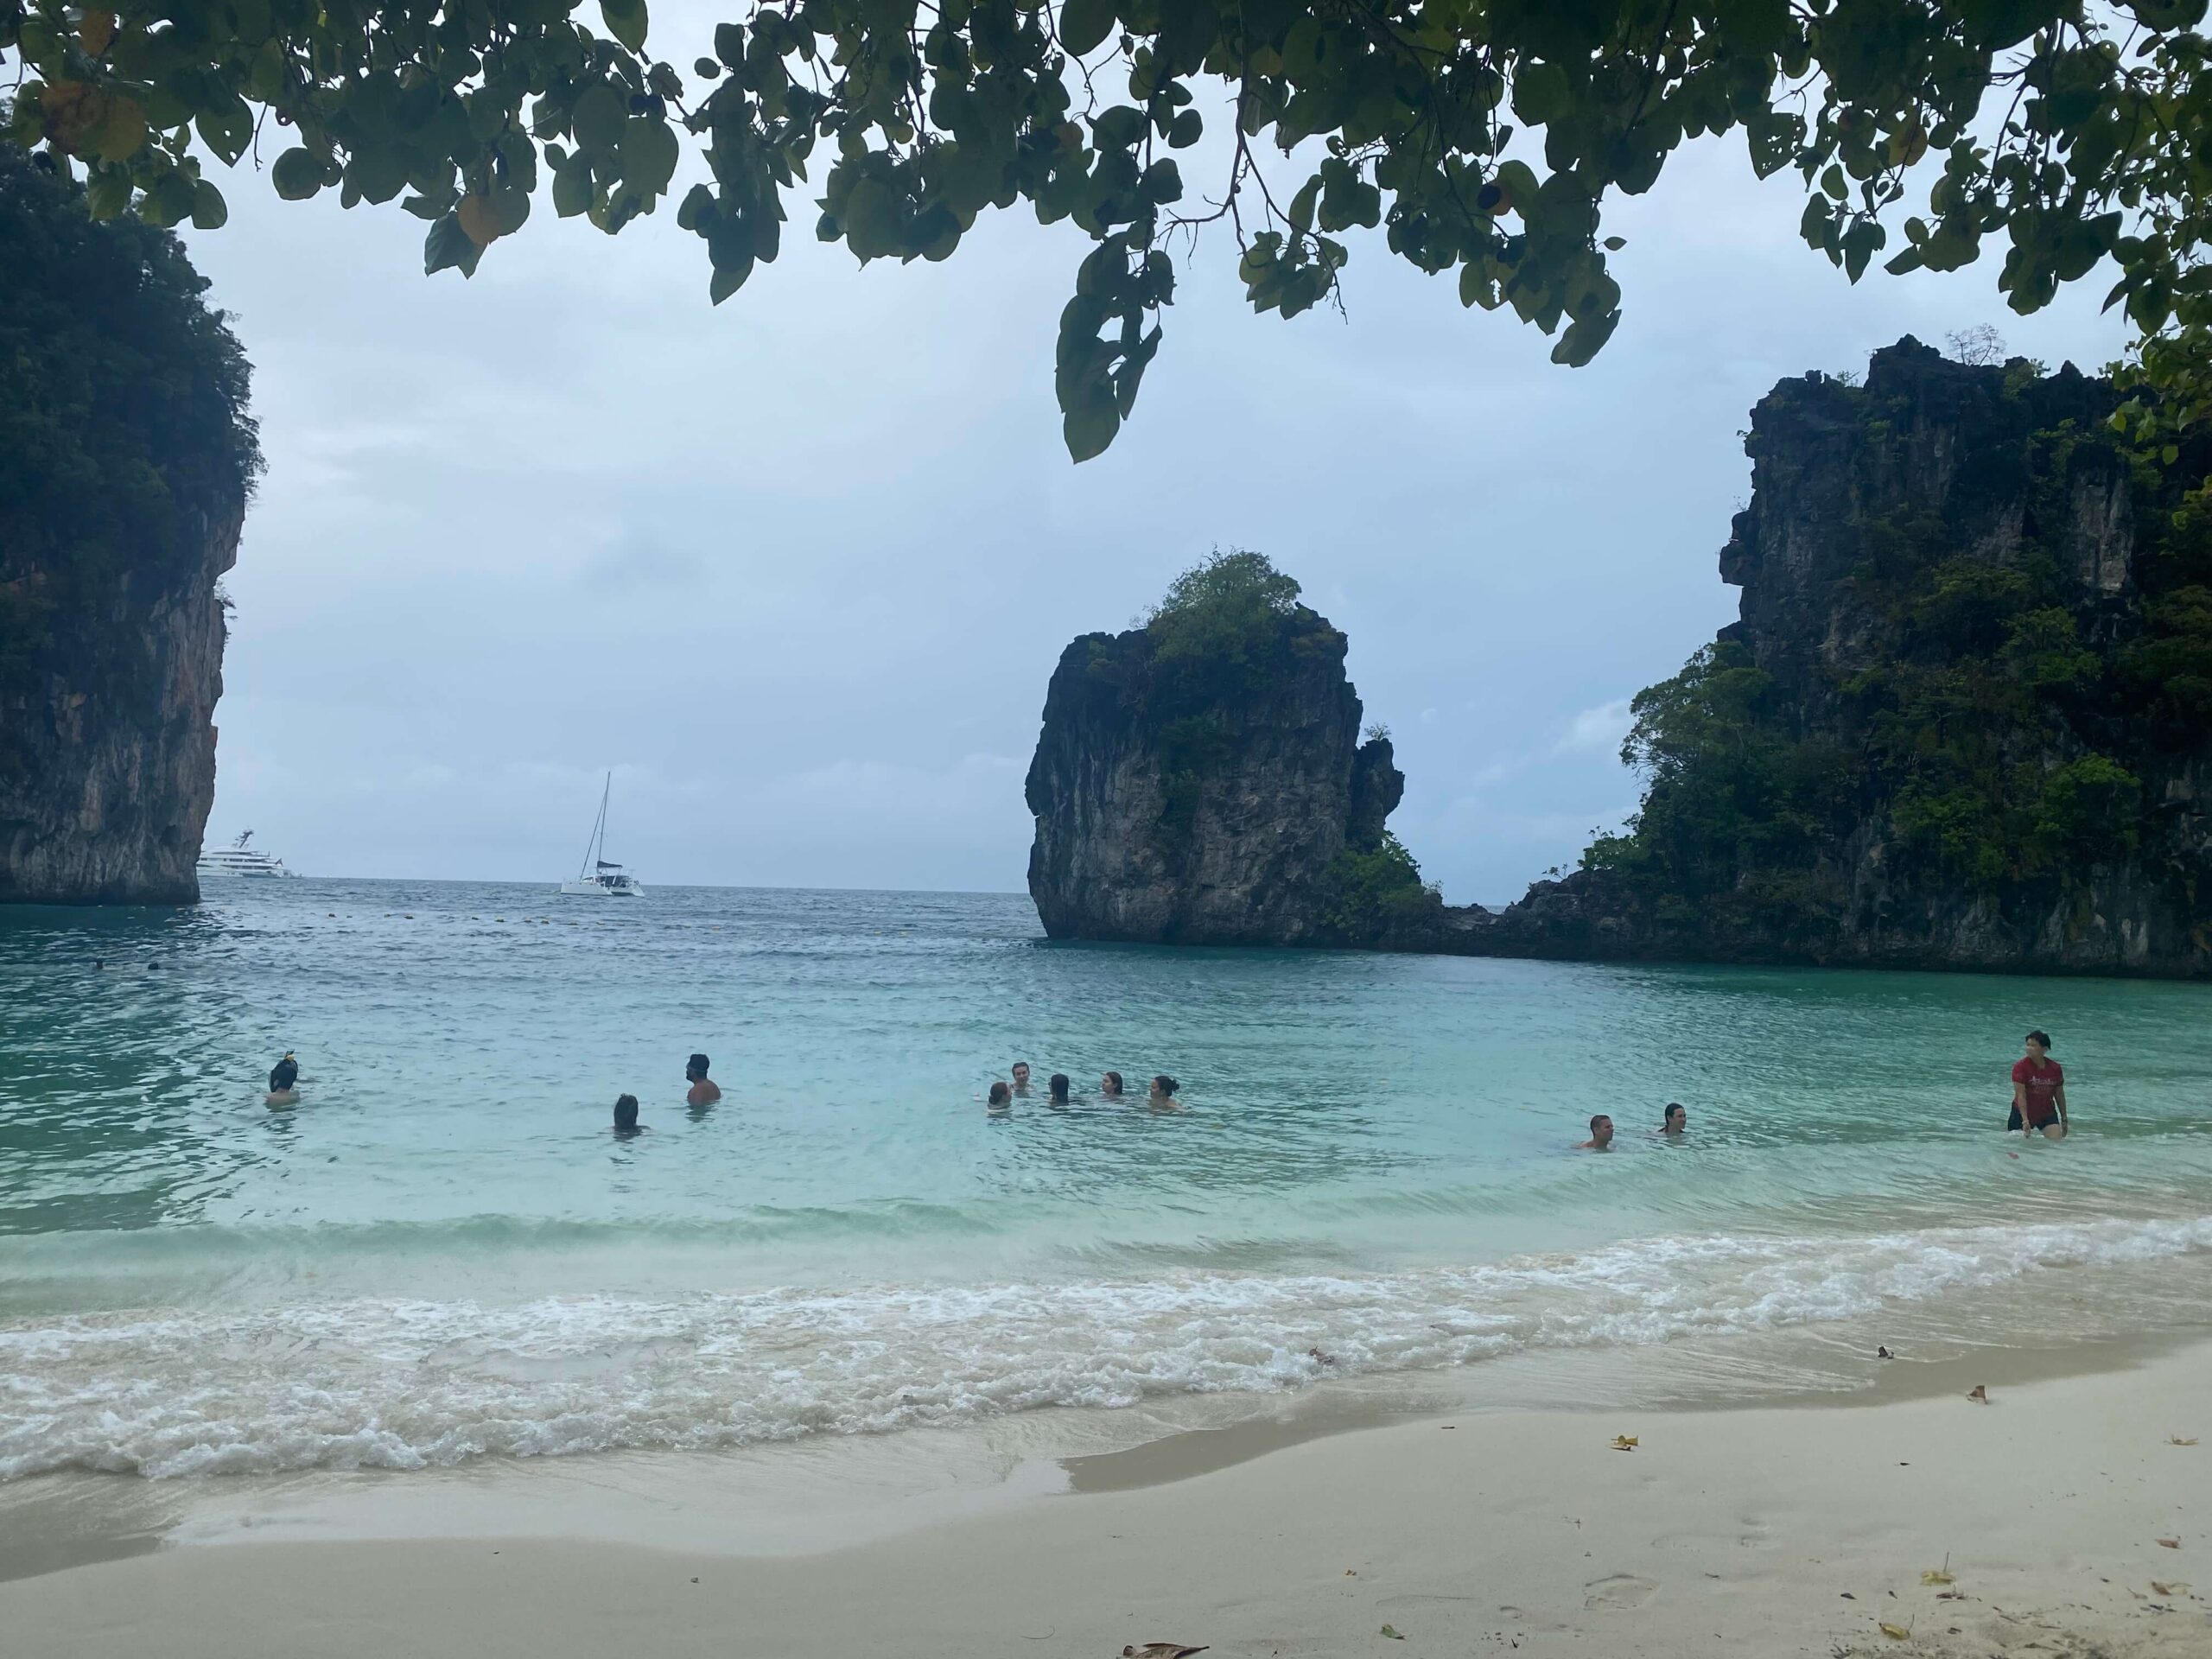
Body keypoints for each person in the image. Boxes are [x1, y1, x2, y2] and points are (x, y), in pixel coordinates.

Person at [2009, 1030, 2068, 1139]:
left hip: (2046, 1113)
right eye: (2028, 1045)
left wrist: (2064, 1118)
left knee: (2057, 1144)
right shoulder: (2020, 1067)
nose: (2029, 1048)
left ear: (2044, 1049)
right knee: (2017, 1147)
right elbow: (2021, 1095)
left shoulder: (2055, 1068)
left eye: (2033, 1045)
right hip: (2021, 1113)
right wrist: (2025, 1121)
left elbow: (2059, 1094)